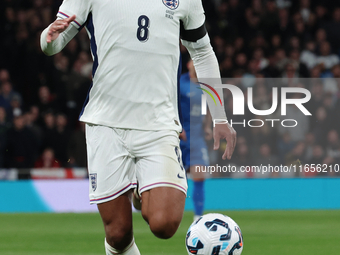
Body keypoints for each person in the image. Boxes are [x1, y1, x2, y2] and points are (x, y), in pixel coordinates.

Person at [40, 0, 236, 254]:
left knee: (164, 224)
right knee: (118, 234)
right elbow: (54, 42)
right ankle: (139, 188)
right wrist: (48, 38)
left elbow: (202, 52)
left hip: (159, 124)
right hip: (106, 124)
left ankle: (140, 191)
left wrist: (219, 117)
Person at [179, 60, 211, 221]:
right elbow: (170, 104)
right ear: (189, 65)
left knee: (199, 176)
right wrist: (176, 126)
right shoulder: (180, 82)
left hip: (197, 138)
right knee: (174, 178)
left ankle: (198, 217)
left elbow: (211, 107)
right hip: (179, 137)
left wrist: (207, 127)